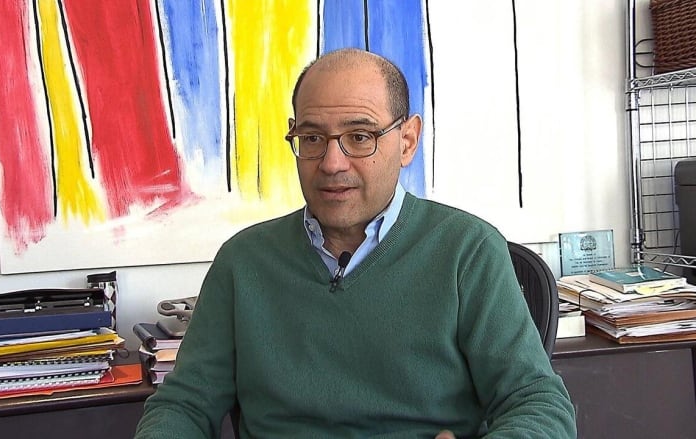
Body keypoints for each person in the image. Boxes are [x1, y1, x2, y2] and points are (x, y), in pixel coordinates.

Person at [135, 48, 576, 438]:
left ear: (407, 141)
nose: (331, 162)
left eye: (359, 137)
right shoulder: (243, 261)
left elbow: (537, 403)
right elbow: (184, 404)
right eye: (312, 138)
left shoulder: (468, 250)